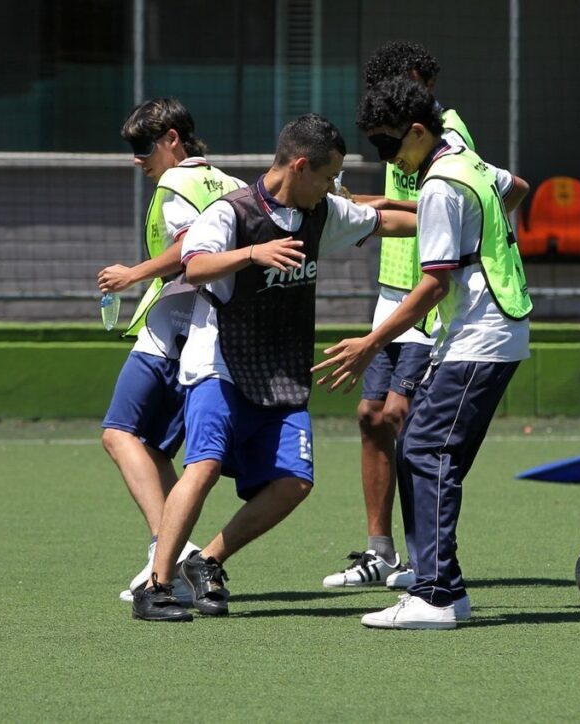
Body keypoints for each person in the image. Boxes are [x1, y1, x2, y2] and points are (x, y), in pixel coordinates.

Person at [131, 113, 418, 622]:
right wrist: (252, 253)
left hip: (281, 373)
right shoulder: (231, 213)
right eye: (329, 177)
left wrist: (456, 222)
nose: (335, 188)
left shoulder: (321, 212)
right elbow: (193, 265)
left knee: (295, 480)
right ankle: (156, 583)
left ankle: (209, 559)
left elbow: (386, 221)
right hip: (219, 364)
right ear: (301, 166)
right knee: (203, 466)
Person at [313, 77, 531, 629]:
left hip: (481, 336)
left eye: (389, 146)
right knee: (418, 444)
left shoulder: (439, 185)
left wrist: (369, 341)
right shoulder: (465, 159)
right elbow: (516, 186)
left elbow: (434, 284)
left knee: (428, 449)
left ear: (416, 130)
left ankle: (436, 594)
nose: (387, 158)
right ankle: (439, 585)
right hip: (488, 330)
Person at [321, 40, 476, 591]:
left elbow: (453, 204)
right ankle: (379, 553)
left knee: (403, 420)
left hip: (426, 295)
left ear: (423, 82)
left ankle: (422, 560)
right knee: (369, 416)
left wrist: (376, 210)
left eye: (401, 84)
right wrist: (363, 209)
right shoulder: (397, 134)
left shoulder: (447, 133)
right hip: (390, 287)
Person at [98, 98, 245, 604]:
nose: (139, 159)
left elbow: (189, 249)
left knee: (118, 433)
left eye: (144, 147)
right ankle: (174, 559)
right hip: (211, 332)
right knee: (157, 450)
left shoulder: (176, 182)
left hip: (173, 331)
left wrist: (133, 273)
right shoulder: (230, 183)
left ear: (173, 139)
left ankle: (170, 552)